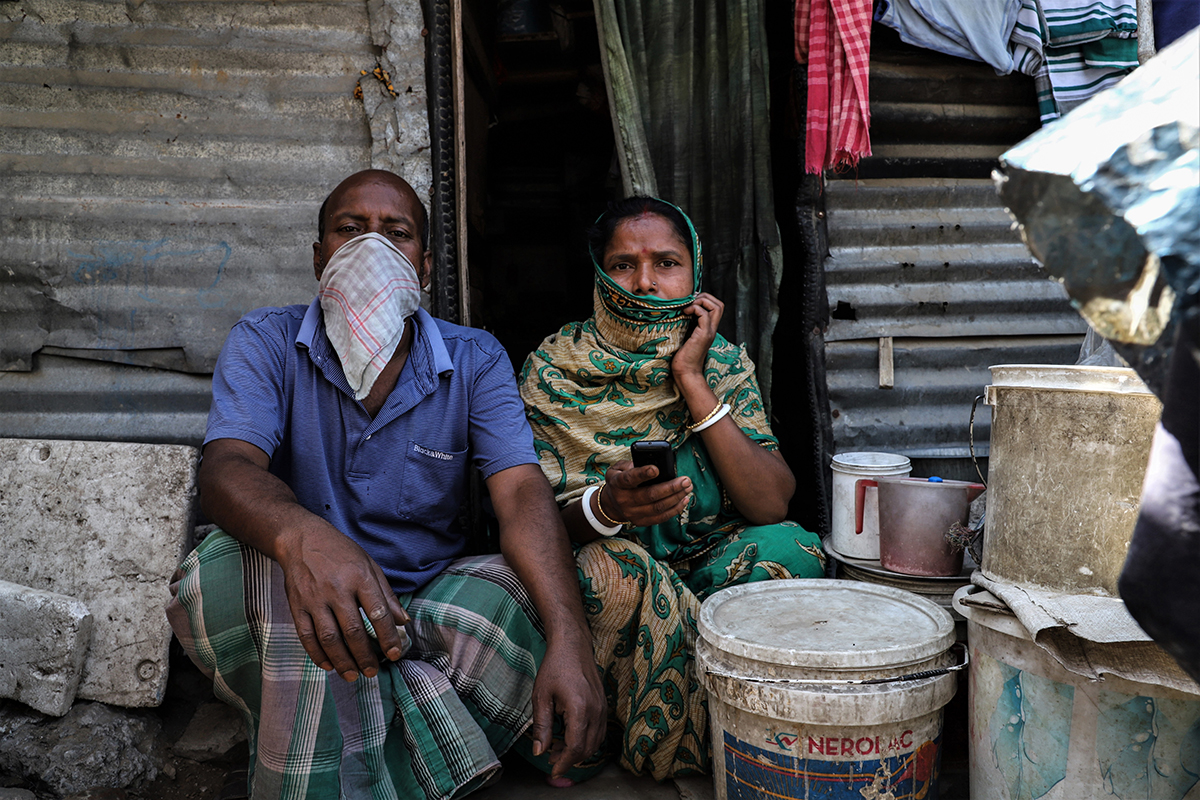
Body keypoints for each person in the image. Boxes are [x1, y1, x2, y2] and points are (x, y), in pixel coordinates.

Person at [166, 169, 605, 800]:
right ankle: (424, 744)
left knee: (518, 593)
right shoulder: (264, 340)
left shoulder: (474, 357)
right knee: (231, 570)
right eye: (349, 230)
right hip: (301, 595)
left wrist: (571, 638)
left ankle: (332, 742)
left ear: (425, 267)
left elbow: (521, 494)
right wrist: (306, 539)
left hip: (421, 605)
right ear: (320, 256)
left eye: (395, 233)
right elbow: (226, 470)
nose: (370, 247)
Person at [518, 197, 826, 780]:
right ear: (598, 272)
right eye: (622, 264)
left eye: (666, 263)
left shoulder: (724, 363)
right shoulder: (552, 369)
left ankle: (738, 727)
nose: (646, 283)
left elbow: (770, 503)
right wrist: (607, 507)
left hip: (710, 558)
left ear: (695, 272)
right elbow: (529, 519)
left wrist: (692, 379)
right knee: (606, 573)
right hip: (617, 566)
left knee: (792, 549)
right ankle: (618, 731)